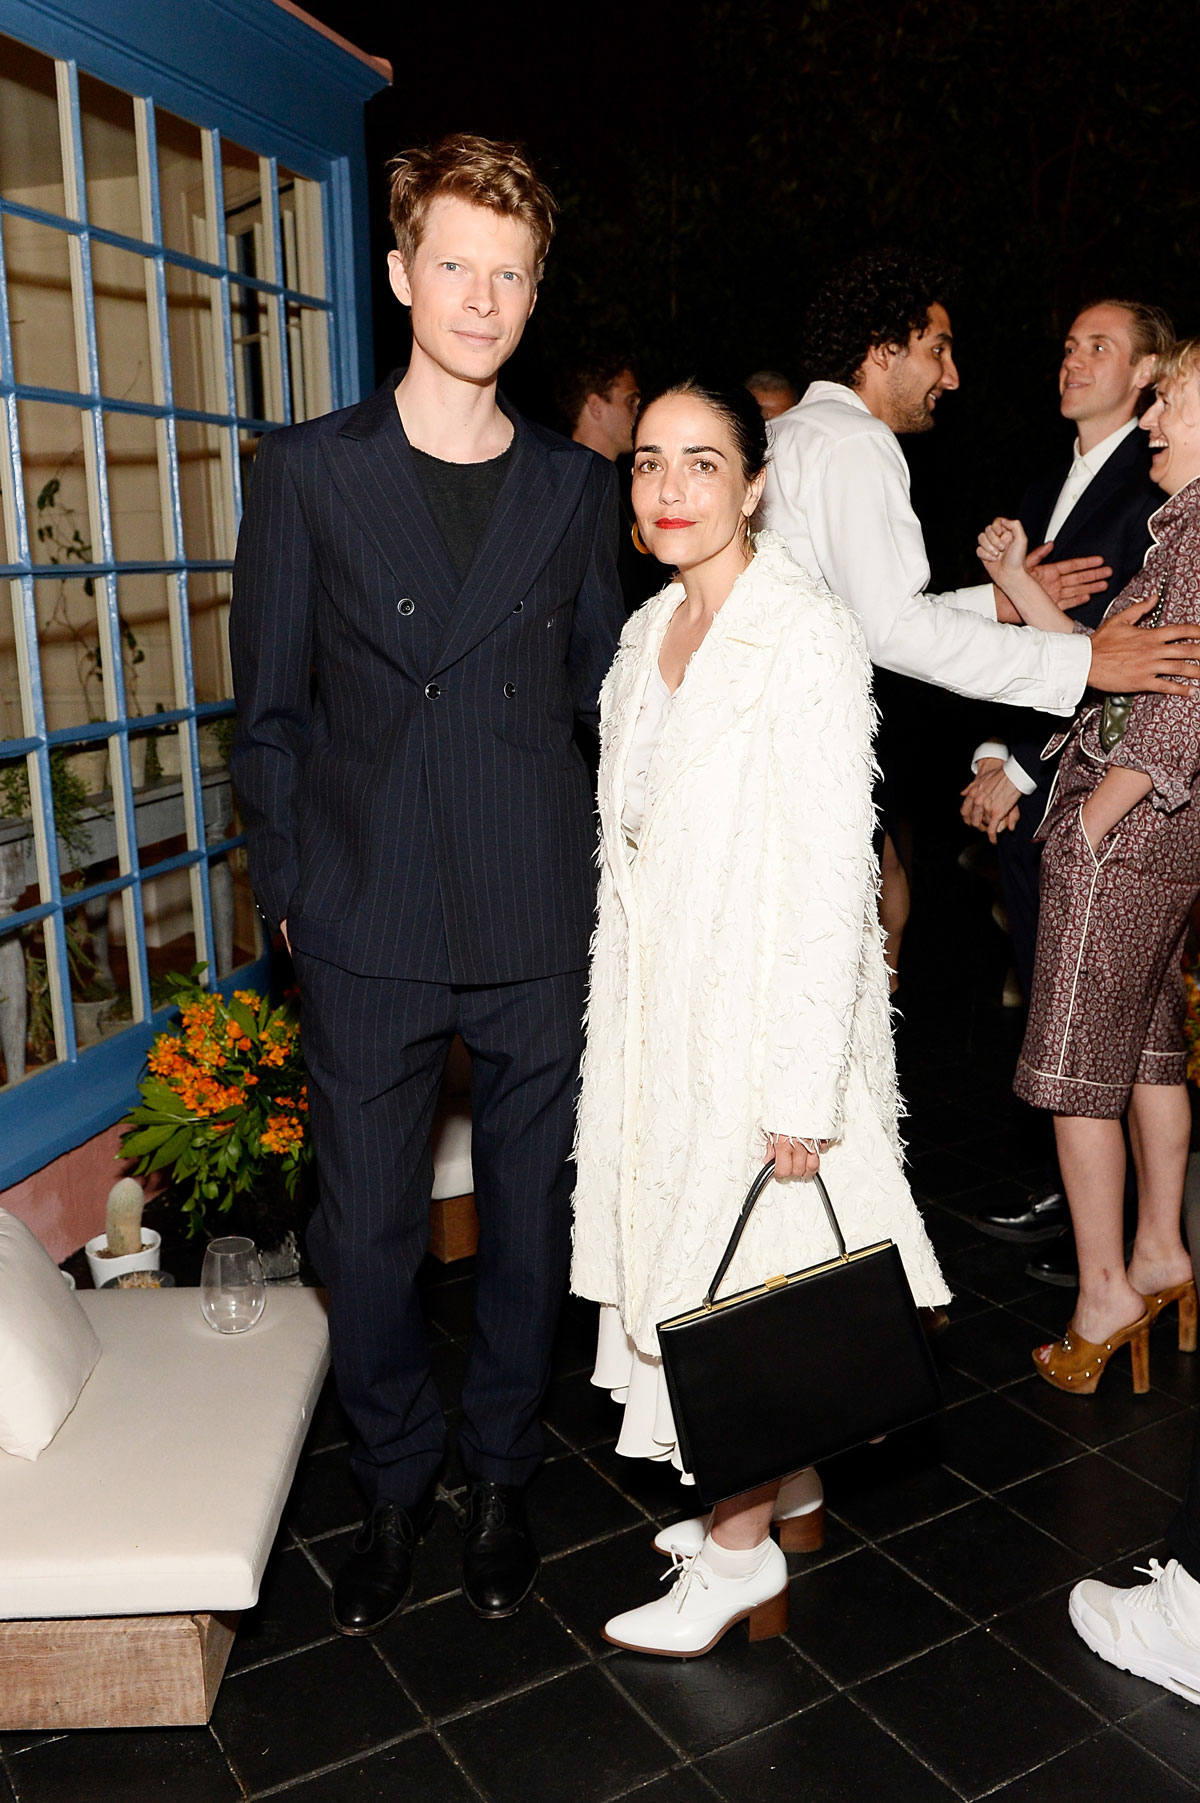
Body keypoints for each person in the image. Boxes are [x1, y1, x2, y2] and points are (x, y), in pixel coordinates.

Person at [229, 134, 624, 1636]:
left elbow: (603, 702)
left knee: (531, 1219)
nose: (480, 295)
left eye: (508, 273)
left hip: (535, 909)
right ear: (400, 275)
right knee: (370, 1233)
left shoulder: (574, 487)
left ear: (533, 297)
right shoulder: (312, 473)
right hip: (367, 910)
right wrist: (295, 889)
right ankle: (393, 1475)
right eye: (453, 264)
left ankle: (504, 1471)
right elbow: (267, 712)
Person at [570, 380, 949, 1657]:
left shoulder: (805, 634)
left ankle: (736, 1554)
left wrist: (800, 1086)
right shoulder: (645, 637)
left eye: (701, 464)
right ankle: (783, 1491)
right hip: (658, 1013)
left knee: (737, 1279)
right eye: (648, 465)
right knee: (716, 1275)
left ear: (754, 482)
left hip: (757, 1022)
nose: (670, 490)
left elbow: (835, 869)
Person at [760, 253, 1200, 988]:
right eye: (937, 349)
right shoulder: (857, 440)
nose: (952, 376)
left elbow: (850, 615)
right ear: (882, 346)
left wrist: (999, 600)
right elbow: (889, 629)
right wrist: (1085, 662)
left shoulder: (793, 434)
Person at [975, 335, 1200, 1399]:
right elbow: (1097, 670)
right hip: (1160, 835)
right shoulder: (1179, 533)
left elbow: (1182, 700)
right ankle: (1160, 1254)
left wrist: (1097, 819)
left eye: (1173, 402)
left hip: (1129, 830)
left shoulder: (1197, 536)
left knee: (1073, 1068)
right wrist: (1017, 582)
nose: (1152, 421)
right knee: (1149, 1047)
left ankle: (1106, 1291)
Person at [558, 354, 659, 615]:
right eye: (631, 402)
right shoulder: (566, 488)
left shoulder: (621, 481)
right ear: (596, 407)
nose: (639, 413)